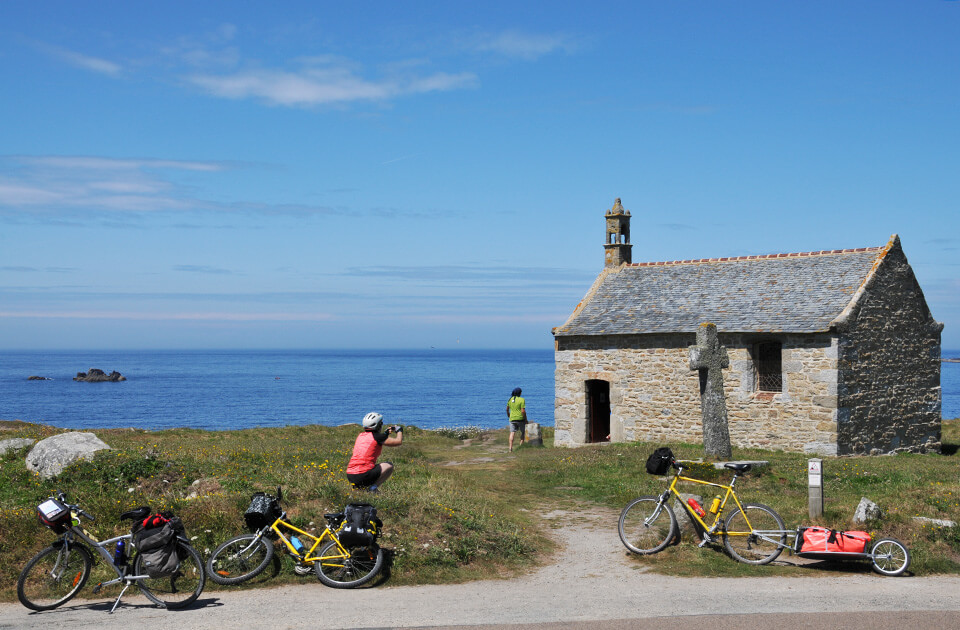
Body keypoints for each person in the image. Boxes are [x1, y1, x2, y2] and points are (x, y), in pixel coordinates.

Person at [346, 412, 403, 493]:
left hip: (350, 475)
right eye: (381, 423)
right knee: (389, 466)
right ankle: (372, 488)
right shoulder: (378, 437)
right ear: (378, 425)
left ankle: (361, 489)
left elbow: (375, 438)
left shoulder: (361, 435)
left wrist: (385, 434)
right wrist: (399, 430)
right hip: (363, 475)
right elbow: (398, 442)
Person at [506, 387, 526, 453]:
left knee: (512, 432)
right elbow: (523, 411)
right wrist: (525, 418)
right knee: (523, 432)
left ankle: (510, 448)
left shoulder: (510, 399)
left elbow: (507, 409)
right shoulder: (522, 400)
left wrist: (509, 415)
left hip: (512, 418)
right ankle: (520, 446)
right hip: (520, 418)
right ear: (520, 393)